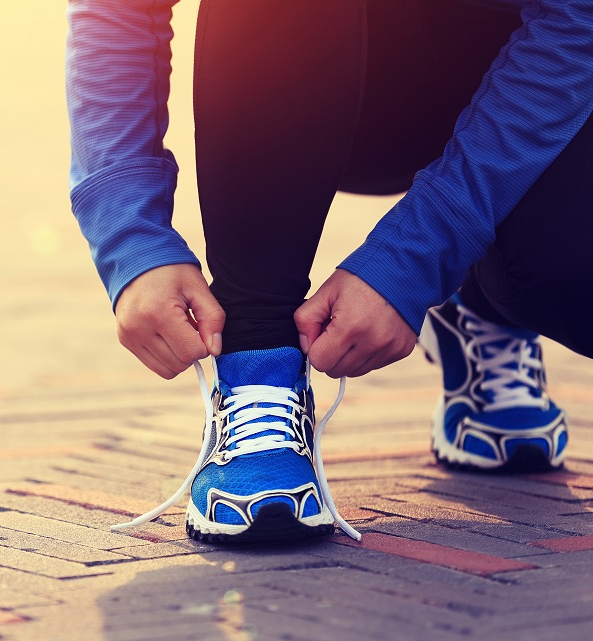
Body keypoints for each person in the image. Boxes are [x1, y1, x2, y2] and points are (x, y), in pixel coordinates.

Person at [67, 0, 593, 543]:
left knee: (575, 276)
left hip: (544, 73)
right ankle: (259, 364)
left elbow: (577, 22)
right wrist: (131, 239)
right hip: (323, 70)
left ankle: (480, 303)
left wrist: (417, 256)